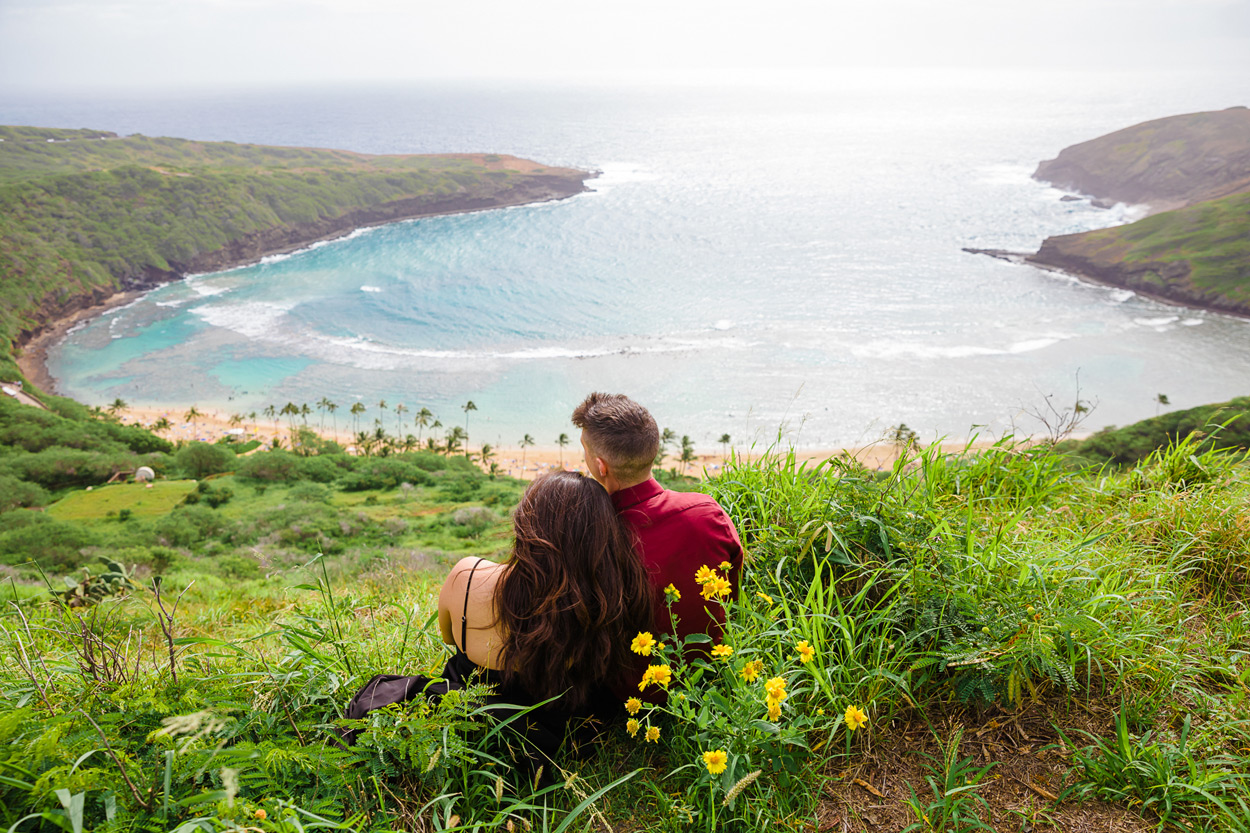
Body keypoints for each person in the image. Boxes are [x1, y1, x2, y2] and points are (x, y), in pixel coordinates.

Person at [342, 471, 652, 762]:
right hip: (555, 733)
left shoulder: (467, 575)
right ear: (602, 537)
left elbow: (449, 637)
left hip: (465, 717)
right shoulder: (609, 597)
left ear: (524, 524)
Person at [571, 392, 744, 699]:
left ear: (600, 465)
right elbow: (732, 596)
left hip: (626, 699)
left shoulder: (587, 535)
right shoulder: (708, 514)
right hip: (709, 679)